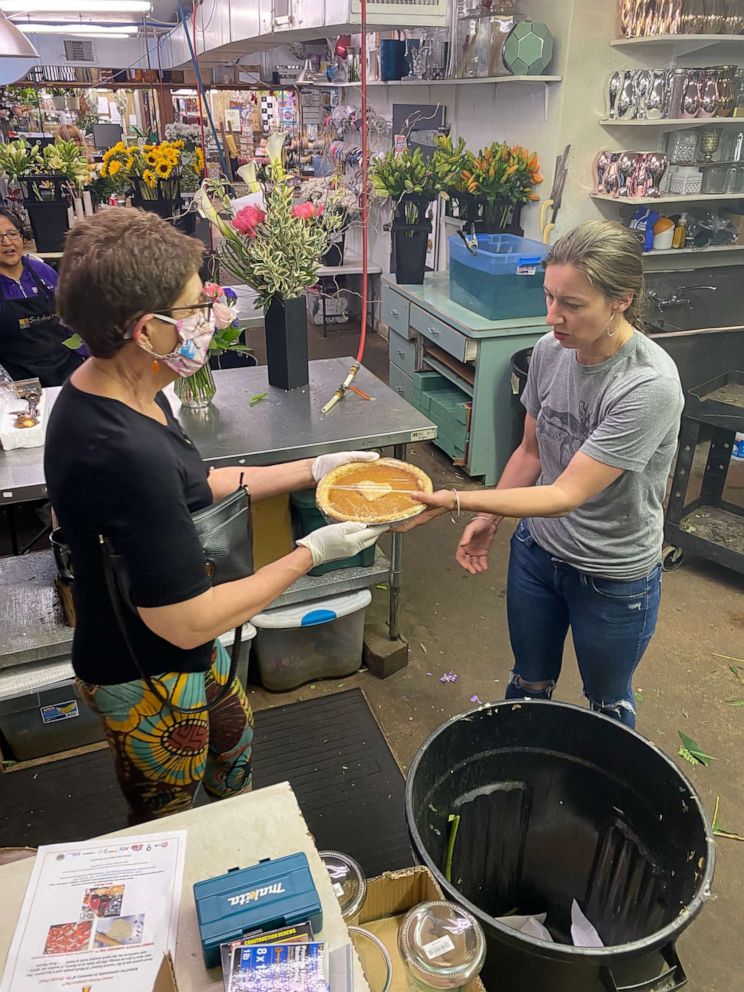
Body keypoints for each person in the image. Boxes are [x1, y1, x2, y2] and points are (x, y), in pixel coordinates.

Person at [44, 208, 387, 822]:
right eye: (194, 308)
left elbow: (198, 485)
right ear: (147, 331)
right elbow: (188, 623)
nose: (209, 317)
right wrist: (312, 553)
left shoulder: (125, 391)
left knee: (232, 755)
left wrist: (313, 469)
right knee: (174, 820)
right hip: (145, 671)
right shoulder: (123, 453)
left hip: (193, 650)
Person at [399, 220, 683, 729]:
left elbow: (565, 493)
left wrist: (457, 500)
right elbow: (531, 452)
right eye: (549, 296)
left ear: (621, 299)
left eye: (572, 305)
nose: (553, 317)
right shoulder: (552, 352)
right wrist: (491, 519)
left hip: (613, 574)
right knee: (528, 682)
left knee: (607, 704)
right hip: (538, 556)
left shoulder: (647, 385)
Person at [0, 207, 82, 386]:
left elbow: (72, 318)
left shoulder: (43, 272)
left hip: (65, 369)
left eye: (12, 234)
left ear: (22, 237)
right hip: (19, 384)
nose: (6, 242)